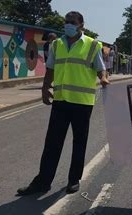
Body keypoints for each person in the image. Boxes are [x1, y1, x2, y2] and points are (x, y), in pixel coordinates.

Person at [17, 11, 109, 196]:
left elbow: (100, 69)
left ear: (81, 25)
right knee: (52, 143)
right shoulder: (57, 44)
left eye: (72, 22)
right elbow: (50, 68)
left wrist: (104, 79)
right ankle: (43, 182)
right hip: (60, 100)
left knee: (79, 142)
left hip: (82, 103)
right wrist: (45, 88)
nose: (68, 25)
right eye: (66, 22)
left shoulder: (91, 45)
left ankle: (74, 180)